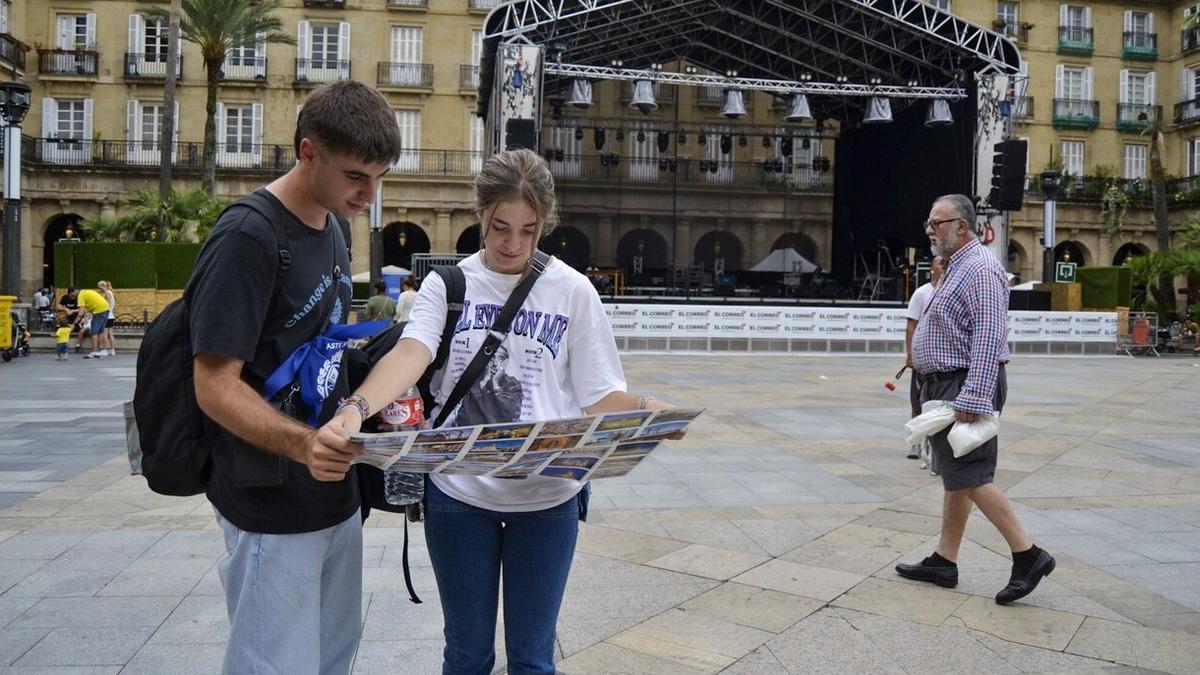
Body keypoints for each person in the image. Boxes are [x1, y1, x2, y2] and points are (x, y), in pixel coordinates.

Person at [323, 148, 679, 675]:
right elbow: (411, 353)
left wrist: (651, 410)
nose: (512, 244)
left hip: (548, 495)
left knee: (533, 659)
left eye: (528, 231)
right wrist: (355, 407)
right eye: (499, 227)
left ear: (544, 226)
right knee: (466, 655)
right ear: (480, 215)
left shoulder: (573, 291)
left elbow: (600, 395)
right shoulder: (449, 286)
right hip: (460, 494)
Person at [188, 80, 400, 674]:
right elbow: (214, 385)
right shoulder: (247, 236)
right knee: (274, 664)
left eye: (380, 177)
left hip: (334, 491)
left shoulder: (334, 227)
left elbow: (323, 342)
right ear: (308, 152)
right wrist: (304, 444)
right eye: (357, 175)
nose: (370, 193)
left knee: (331, 659)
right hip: (269, 497)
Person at [896, 194, 1055, 606]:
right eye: (929, 223)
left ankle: (1028, 554)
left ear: (961, 226)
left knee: (972, 474)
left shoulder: (981, 268)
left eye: (937, 222)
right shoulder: (956, 267)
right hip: (947, 384)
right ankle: (944, 561)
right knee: (957, 474)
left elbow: (988, 334)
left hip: (964, 383)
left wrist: (976, 394)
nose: (930, 230)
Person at [904, 256, 944, 471]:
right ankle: (915, 443)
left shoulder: (951, 290)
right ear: (931, 268)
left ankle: (936, 450)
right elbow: (911, 326)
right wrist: (910, 355)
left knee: (938, 407)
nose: (943, 267)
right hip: (921, 361)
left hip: (942, 363)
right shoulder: (922, 293)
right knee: (917, 404)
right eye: (939, 263)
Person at [455, 344, 523, 426]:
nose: (495, 364)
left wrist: (495, 385)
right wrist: (483, 384)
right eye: (492, 358)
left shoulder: (513, 384)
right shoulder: (473, 379)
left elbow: (511, 415)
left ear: (505, 363)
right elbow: (467, 418)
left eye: (500, 359)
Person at [76, 286, 111, 359]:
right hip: (106, 308)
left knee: (94, 331)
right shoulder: (88, 291)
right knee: (100, 331)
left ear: (75, 291)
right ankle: (98, 351)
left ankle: (94, 351)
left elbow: (81, 310)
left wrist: (75, 323)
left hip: (99, 310)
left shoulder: (81, 295)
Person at [98, 281, 117, 356]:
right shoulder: (111, 292)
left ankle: (105, 349)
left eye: (100, 288)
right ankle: (112, 350)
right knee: (110, 333)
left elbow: (107, 304)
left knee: (105, 333)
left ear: (103, 286)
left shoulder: (107, 293)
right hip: (111, 315)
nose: (99, 290)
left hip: (107, 315)